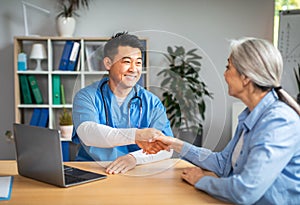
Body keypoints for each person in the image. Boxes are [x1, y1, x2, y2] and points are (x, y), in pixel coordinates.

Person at [152, 37, 300, 204]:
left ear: (246, 77)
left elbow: (245, 191)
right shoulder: (251, 115)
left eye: (228, 67)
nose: (225, 74)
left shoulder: (279, 122)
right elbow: (223, 164)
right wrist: (173, 143)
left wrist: (200, 181)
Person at [72, 31, 173, 174]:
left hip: (136, 171)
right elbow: (87, 133)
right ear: (108, 63)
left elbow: (167, 148)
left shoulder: (151, 102)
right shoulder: (87, 96)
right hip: (91, 171)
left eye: (138, 63)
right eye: (126, 62)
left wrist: (134, 158)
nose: (134, 69)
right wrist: (136, 135)